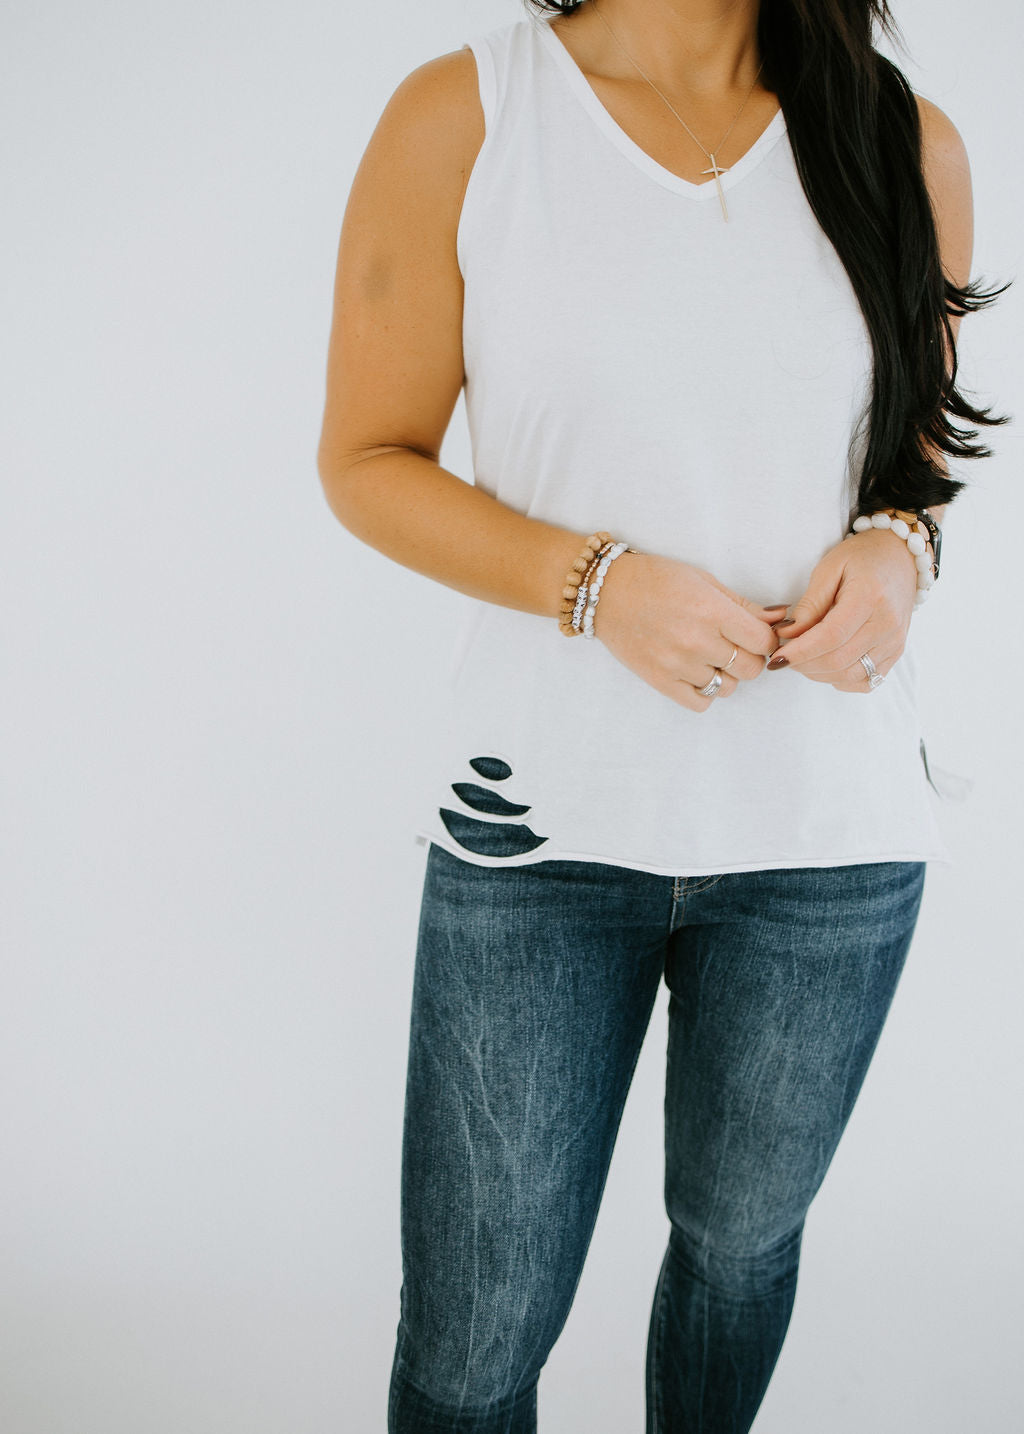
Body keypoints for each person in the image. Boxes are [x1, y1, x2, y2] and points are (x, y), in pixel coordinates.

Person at [316, 0, 1007, 1428]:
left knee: (740, 1251)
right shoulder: (470, 113)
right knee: (472, 1338)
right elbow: (367, 459)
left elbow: (915, 462)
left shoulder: (904, 142)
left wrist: (901, 550)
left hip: (828, 836)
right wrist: (598, 586)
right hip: (539, 827)